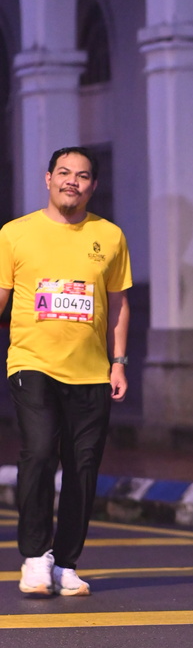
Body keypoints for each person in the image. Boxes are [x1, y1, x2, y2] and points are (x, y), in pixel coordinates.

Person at [0, 146, 132, 596]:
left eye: (82, 175)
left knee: (83, 467)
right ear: (48, 179)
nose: (72, 180)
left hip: (92, 371)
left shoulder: (110, 236)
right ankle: (35, 557)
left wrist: (118, 362)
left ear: (93, 186)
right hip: (32, 363)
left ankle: (66, 563)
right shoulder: (15, 233)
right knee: (39, 452)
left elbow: (118, 304)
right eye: (64, 172)